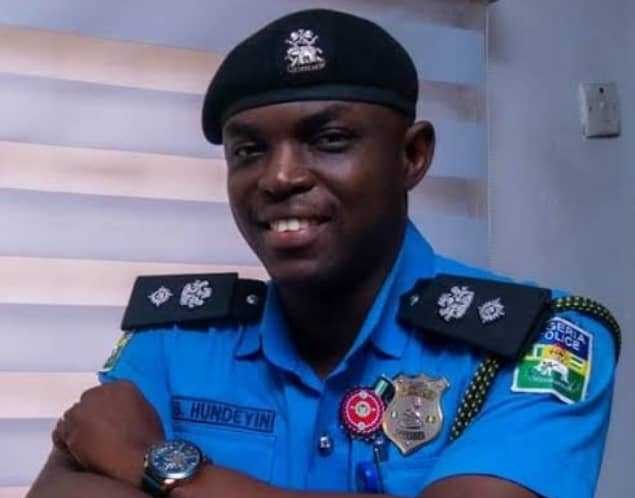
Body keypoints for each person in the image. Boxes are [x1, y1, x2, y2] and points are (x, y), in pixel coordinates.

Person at [27, 9, 619, 498]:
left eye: (329, 140)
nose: (279, 177)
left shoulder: (536, 342)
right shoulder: (175, 338)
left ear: (412, 157)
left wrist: (159, 465)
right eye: (249, 150)